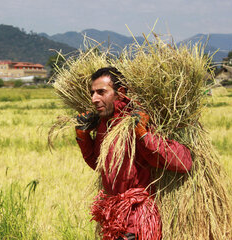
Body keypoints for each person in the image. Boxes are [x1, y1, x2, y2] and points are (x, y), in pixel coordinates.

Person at [75, 67, 192, 240]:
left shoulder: (138, 120)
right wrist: (83, 137)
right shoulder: (104, 124)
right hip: (113, 220)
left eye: (101, 92)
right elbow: (102, 166)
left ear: (120, 93)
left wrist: (144, 135)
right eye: (92, 93)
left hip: (137, 222)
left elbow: (184, 161)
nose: (94, 99)